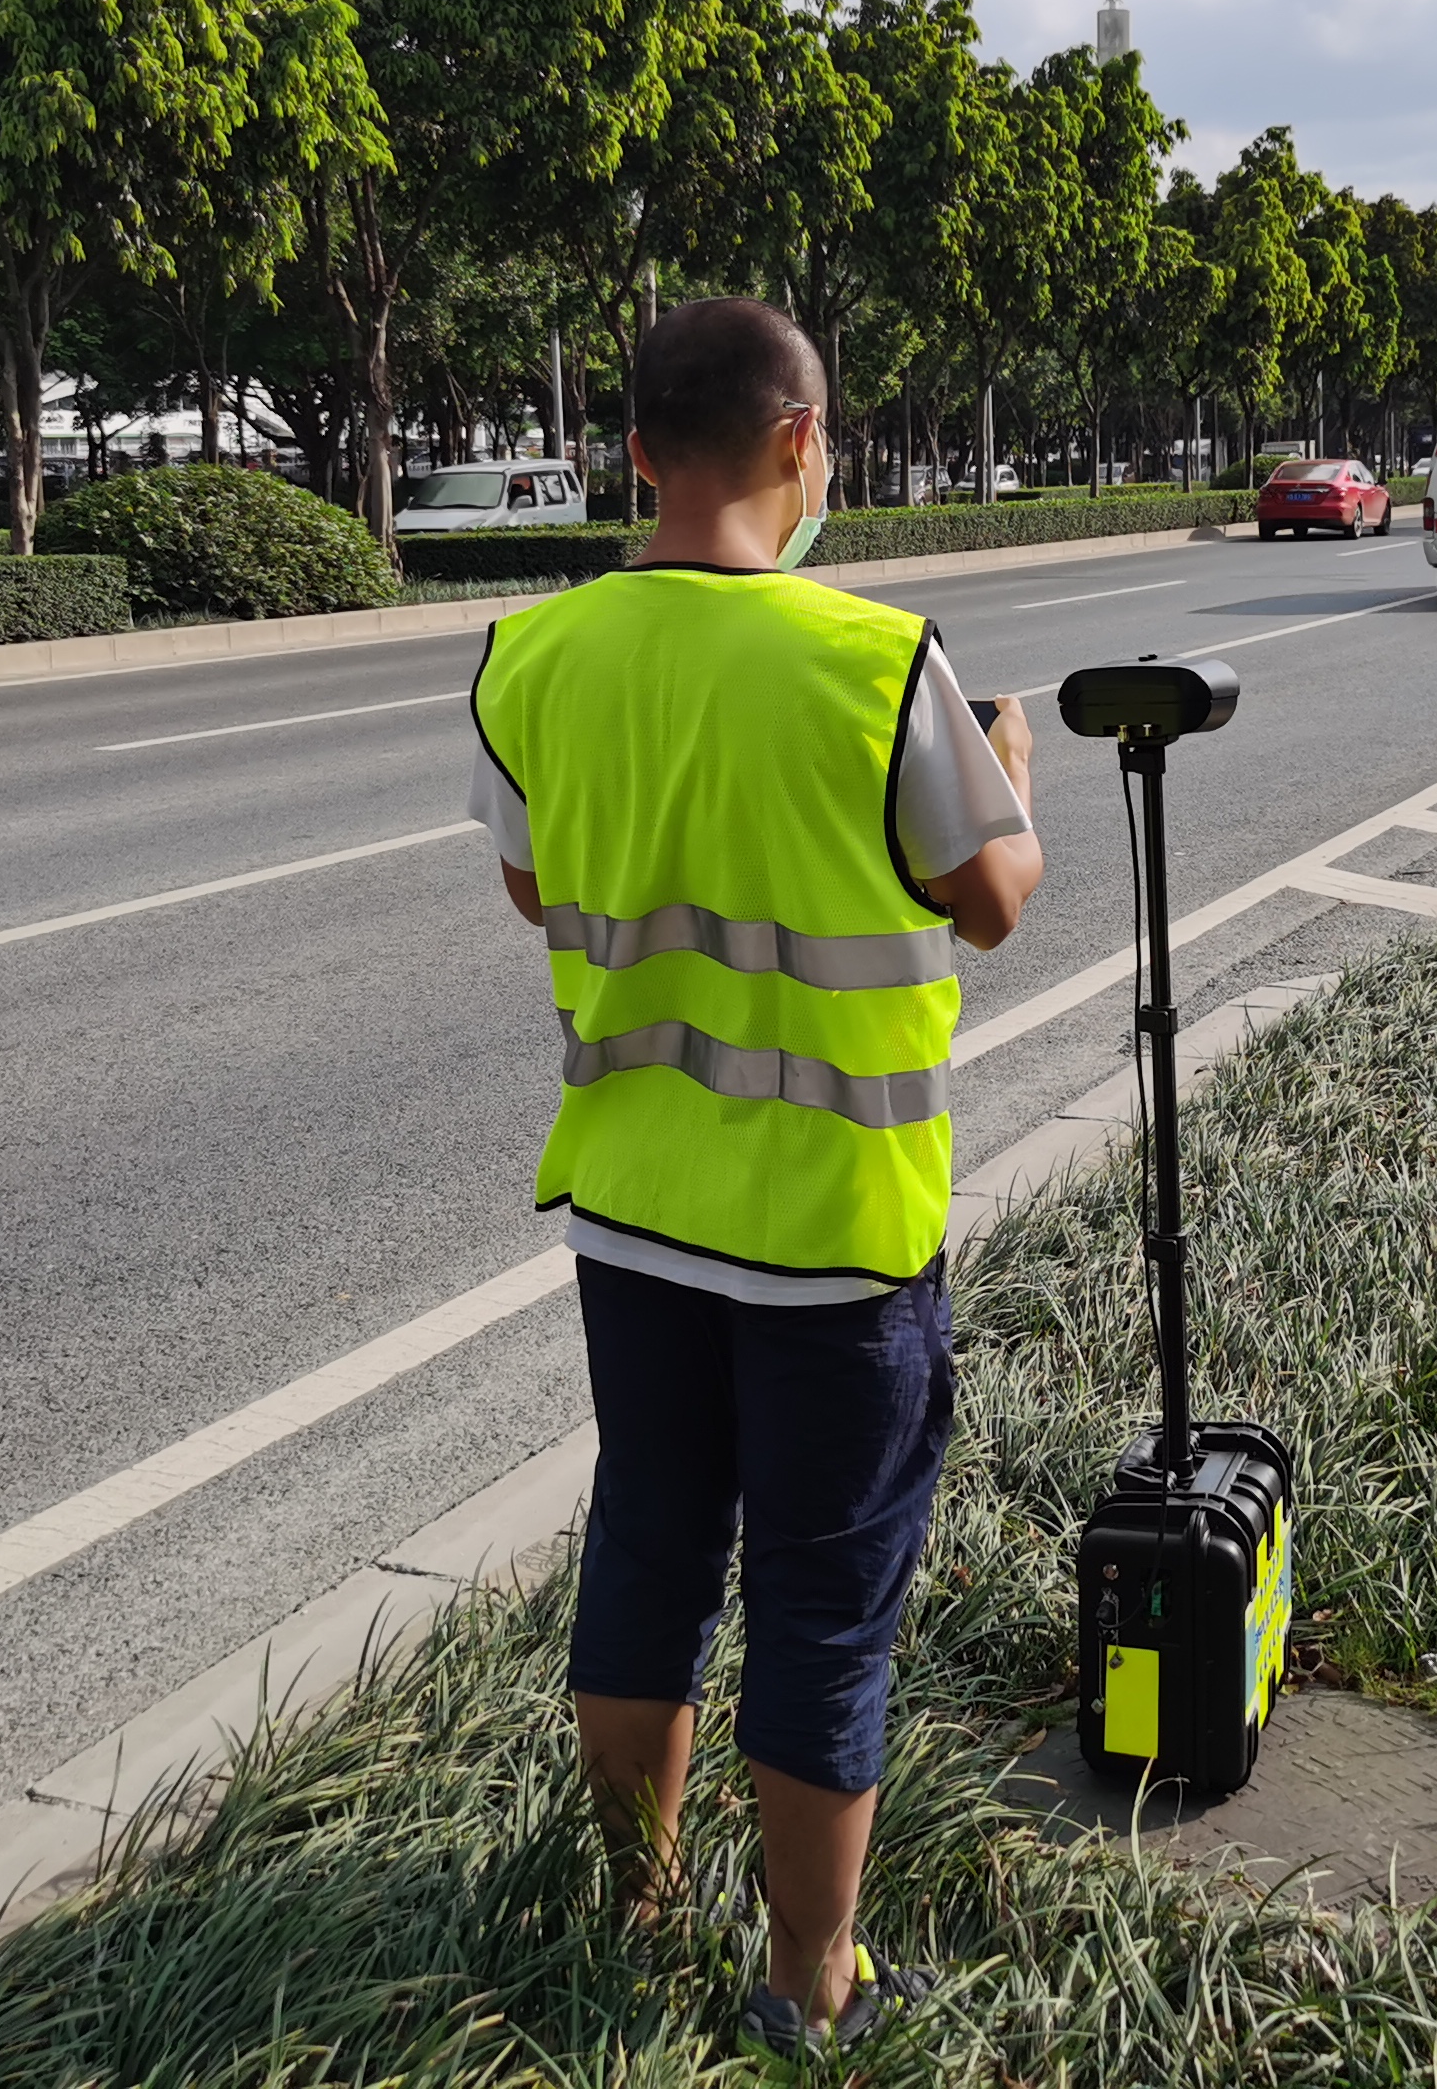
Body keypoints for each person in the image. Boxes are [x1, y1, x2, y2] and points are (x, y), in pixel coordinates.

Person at [470, 297, 1041, 2056]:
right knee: (820, 1602)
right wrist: (1010, 768)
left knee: (647, 1545)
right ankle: (811, 1986)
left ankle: (632, 1916)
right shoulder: (877, 664)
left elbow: (533, 889)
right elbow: (995, 896)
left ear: (633, 448)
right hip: (832, 1240)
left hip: (638, 1223)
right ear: (801, 443)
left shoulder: (529, 657)